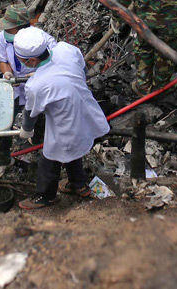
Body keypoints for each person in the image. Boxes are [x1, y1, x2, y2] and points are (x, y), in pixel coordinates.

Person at [14, 28, 109, 210]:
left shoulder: (37, 85)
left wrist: (26, 130)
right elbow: (81, 69)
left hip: (66, 121)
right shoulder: (65, 49)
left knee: (50, 158)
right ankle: (78, 185)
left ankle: (45, 196)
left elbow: (31, 113)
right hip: (86, 109)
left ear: (31, 61)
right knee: (75, 150)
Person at [0, 4, 57, 179]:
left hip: (38, 83)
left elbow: (54, 61)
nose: (5, 29)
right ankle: (2, 159)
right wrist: (7, 72)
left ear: (20, 27)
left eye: (9, 26)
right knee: (5, 121)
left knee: (40, 118)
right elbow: (2, 59)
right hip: (15, 85)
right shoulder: (2, 38)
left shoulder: (42, 40)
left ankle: (40, 150)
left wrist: (39, 72)